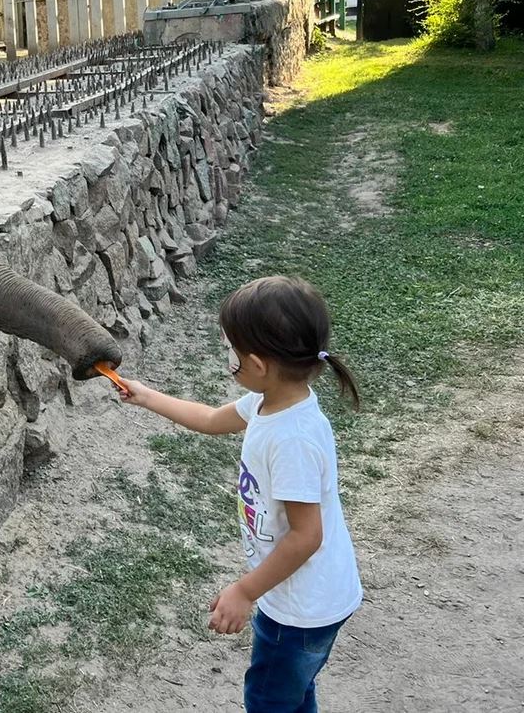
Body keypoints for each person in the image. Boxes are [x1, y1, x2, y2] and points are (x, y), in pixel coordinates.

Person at [116, 275, 362, 713]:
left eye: (232, 354)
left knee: (269, 700)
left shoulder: (293, 439)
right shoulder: (272, 401)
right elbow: (212, 419)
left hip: (300, 610)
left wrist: (245, 592)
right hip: (294, 595)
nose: (229, 361)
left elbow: (307, 536)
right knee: (293, 695)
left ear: (259, 364)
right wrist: (147, 396)